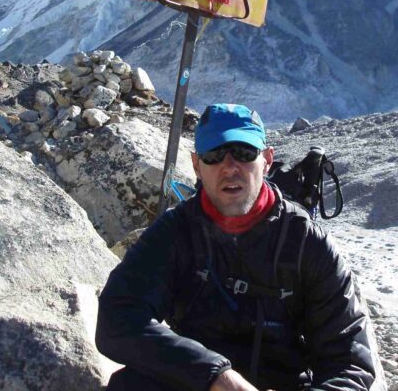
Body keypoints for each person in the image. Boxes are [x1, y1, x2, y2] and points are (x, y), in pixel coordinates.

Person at [95, 104, 377, 391]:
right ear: (196, 165)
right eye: (214, 155)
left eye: (244, 153)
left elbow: (350, 365)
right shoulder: (175, 233)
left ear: (267, 160)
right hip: (194, 382)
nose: (229, 168)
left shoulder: (308, 244)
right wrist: (215, 375)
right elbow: (116, 319)